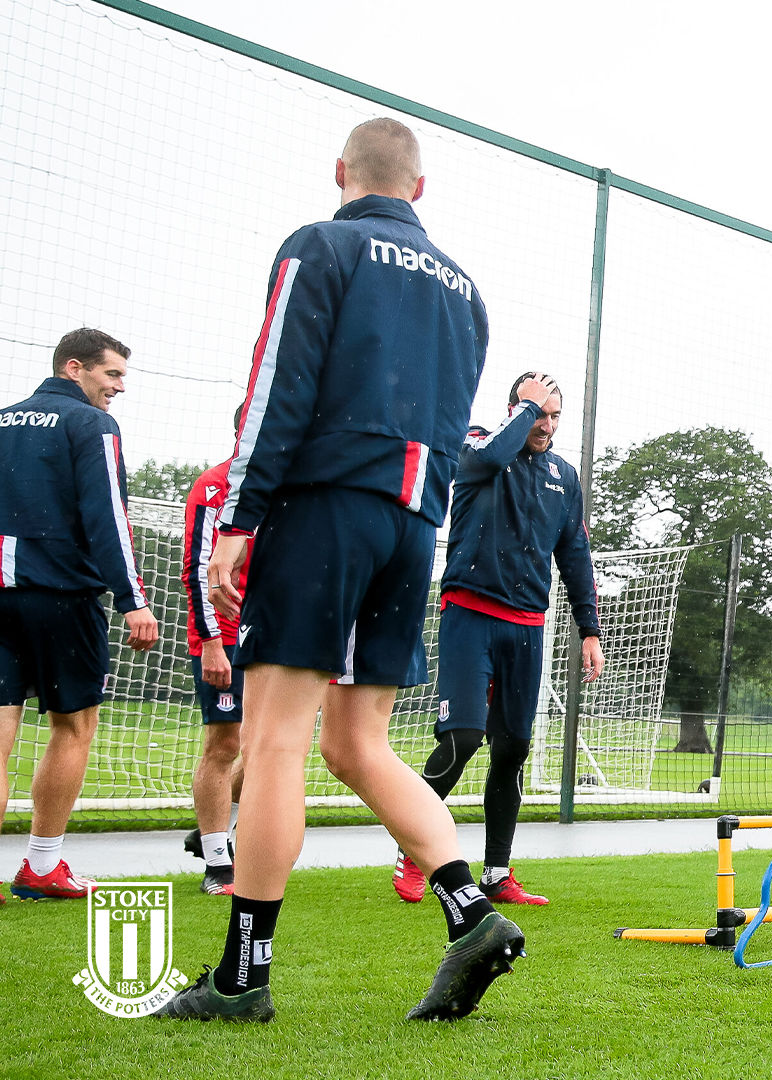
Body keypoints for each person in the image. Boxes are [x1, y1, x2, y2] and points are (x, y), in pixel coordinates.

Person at [159, 119, 514, 1023]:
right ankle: (469, 910)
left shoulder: (321, 244)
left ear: (341, 173)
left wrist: (236, 521)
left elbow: (277, 385)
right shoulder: (468, 291)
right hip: (412, 525)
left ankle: (242, 980)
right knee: (358, 744)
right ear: (421, 191)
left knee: (274, 740)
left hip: (324, 509)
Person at [391, 372, 602, 907]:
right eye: (537, 412)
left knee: (513, 750)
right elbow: (485, 461)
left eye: (555, 416)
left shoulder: (563, 475)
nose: (546, 426)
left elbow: (574, 555)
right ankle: (414, 852)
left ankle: (497, 873)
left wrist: (589, 629)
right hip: (470, 616)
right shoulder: (480, 441)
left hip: (528, 627)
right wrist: (525, 411)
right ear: (515, 409)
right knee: (462, 739)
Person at [0, 328, 160, 900]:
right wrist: (133, 600)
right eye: (112, 374)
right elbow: (107, 517)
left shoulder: (2, 419)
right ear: (76, 368)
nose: (119, 387)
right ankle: (42, 866)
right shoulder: (91, 424)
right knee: (73, 728)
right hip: (61, 599)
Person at [181, 404, 253, 896]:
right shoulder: (214, 486)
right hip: (222, 636)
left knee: (270, 748)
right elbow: (198, 569)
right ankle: (217, 864)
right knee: (224, 745)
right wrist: (210, 644)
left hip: (269, 637)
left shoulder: (289, 488)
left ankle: (207, 830)